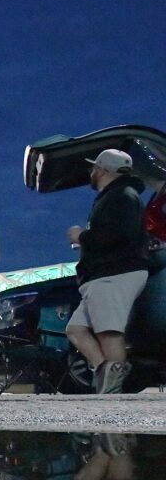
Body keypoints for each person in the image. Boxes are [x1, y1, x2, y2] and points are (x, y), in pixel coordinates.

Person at [65, 149, 150, 394]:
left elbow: (118, 235)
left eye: (94, 167)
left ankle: (113, 392)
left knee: (109, 332)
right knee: (76, 329)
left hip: (113, 273)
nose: (91, 172)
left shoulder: (122, 195)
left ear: (103, 170)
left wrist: (82, 236)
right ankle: (107, 372)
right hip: (104, 276)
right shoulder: (117, 195)